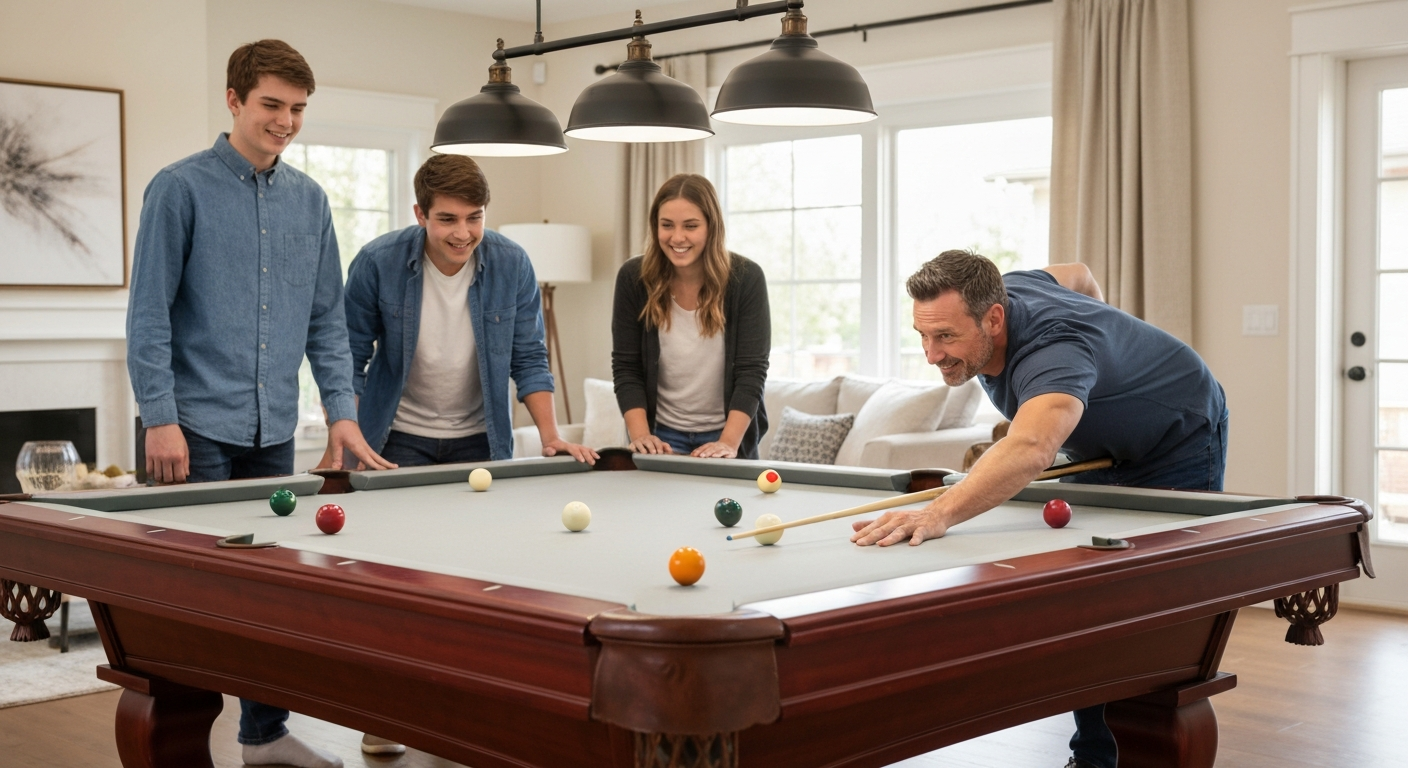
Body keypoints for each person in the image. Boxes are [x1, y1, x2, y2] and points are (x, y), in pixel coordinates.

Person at [126, 40, 396, 768]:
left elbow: (325, 323)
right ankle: (175, 742)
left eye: (298, 109)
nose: (286, 121)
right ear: (234, 100)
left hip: (274, 429)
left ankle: (263, 739)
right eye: (272, 105)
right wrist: (159, 416)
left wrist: (341, 410)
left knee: (268, 595)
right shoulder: (177, 189)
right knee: (190, 601)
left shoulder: (310, 201)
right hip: (191, 427)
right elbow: (148, 314)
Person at [850, 249, 1228, 768]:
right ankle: (1095, 757)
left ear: (994, 318)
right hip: (1103, 444)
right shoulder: (1006, 286)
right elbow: (1080, 276)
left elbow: (1031, 449)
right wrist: (1108, 352)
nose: (931, 355)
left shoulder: (1056, 353)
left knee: (1157, 611)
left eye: (946, 337)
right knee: (1092, 600)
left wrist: (937, 513)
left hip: (1178, 437)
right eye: (923, 335)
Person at [343, 154, 595, 467]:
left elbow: (529, 357)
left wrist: (551, 437)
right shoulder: (377, 262)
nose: (463, 234)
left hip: (481, 438)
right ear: (421, 214)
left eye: (474, 218)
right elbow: (349, 357)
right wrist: (344, 431)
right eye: (448, 219)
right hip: (396, 435)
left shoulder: (512, 263)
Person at [611, 174, 770, 459]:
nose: (677, 237)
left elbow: (751, 372)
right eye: (667, 225)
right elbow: (626, 367)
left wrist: (728, 444)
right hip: (661, 435)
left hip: (727, 434)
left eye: (691, 226)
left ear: (712, 228)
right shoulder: (633, 278)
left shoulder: (746, 279)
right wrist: (642, 436)